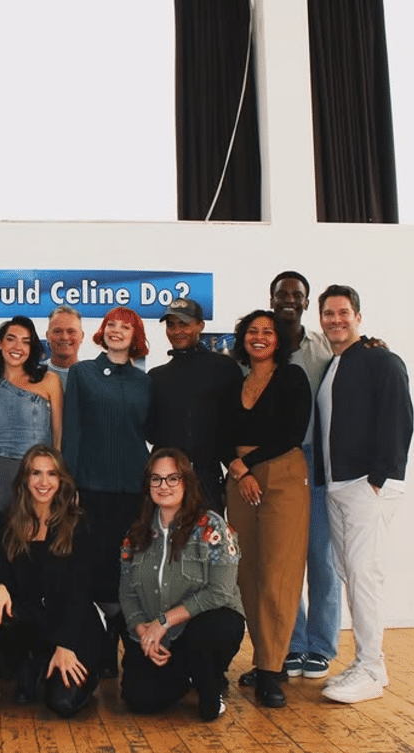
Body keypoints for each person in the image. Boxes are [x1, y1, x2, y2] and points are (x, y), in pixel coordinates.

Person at [315, 285, 412, 703]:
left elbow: (400, 417)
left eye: (343, 312)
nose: (335, 319)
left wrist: (379, 477)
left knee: (364, 576)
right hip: (337, 487)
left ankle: (371, 669)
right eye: (328, 313)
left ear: (358, 316)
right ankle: (370, 663)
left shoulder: (381, 359)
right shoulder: (332, 365)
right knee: (349, 572)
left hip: (365, 486)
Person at [119, 448, 245, 721]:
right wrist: (145, 633)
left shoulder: (211, 527)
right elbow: (127, 594)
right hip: (160, 637)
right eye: (156, 479)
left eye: (173, 478)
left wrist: (164, 621)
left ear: (187, 482)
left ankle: (209, 688)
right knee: (138, 698)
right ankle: (190, 675)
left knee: (210, 629)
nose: (164, 486)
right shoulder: (136, 533)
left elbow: (220, 592)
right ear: (148, 485)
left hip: (204, 629)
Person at [225, 310, 311, 708]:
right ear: (243, 338)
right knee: (247, 573)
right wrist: (238, 468)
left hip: (281, 477)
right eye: (253, 332)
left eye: (268, 332)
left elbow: (291, 432)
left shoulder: (292, 378)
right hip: (240, 479)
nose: (259, 338)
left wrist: (247, 465)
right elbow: (217, 429)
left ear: (280, 340)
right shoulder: (235, 380)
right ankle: (263, 659)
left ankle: (272, 671)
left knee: (279, 573)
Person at [0, 445, 104, 717]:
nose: (43, 482)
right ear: (25, 478)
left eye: (52, 474)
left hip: (75, 624)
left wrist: (66, 644)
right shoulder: (7, 520)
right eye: (36, 473)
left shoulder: (78, 523)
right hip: (34, 621)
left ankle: (86, 671)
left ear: (62, 481)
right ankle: (26, 664)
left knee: (62, 704)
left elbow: (80, 591)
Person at [62, 306, 151, 674]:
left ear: (136, 336)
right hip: (90, 491)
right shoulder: (82, 373)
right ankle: (99, 642)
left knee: (126, 571)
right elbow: (72, 432)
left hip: (133, 493)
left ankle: (122, 635)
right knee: (92, 570)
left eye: (124, 327)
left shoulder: (145, 382)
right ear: (101, 331)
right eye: (110, 325)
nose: (116, 332)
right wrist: (71, 485)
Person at [268, 271, 341, 680]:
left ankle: (321, 646)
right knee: (285, 562)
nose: (289, 301)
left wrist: (372, 344)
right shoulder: (259, 345)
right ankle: (292, 644)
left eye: (296, 295)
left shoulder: (324, 347)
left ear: (305, 302)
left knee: (322, 560)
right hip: (277, 464)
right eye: (282, 294)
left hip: (319, 465)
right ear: (272, 297)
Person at [0, 316, 62, 559]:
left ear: (32, 349)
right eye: (11, 339)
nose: (17, 347)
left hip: (36, 476)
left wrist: (60, 482)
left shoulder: (49, 381)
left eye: (26, 342)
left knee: (34, 546)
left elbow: (58, 440)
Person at [147, 298, 242, 514]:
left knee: (210, 546)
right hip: (166, 480)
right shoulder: (156, 377)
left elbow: (235, 424)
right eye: (171, 325)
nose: (177, 330)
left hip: (207, 480)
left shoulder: (224, 368)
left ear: (201, 325)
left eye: (184, 324)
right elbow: (151, 432)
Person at [44, 305, 84, 389]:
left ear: (82, 336)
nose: (64, 337)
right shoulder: (31, 375)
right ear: (47, 336)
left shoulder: (93, 378)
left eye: (71, 331)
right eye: (57, 331)